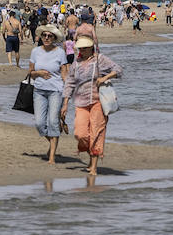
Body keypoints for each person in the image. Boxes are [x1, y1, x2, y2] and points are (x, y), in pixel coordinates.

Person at [59, 35, 123, 177]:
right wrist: (65, 103)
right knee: (80, 134)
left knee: (96, 132)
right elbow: (70, 82)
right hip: (80, 103)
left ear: (90, 48)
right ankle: (91, 155)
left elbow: (118, 69)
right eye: (79, 48)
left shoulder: (100, 59)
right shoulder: (76, 62)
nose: (81, 51)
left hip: (98, 102)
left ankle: (93, 166)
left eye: (83, 48)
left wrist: (105, 77)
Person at [28, 26, 68, 163]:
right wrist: (38, 73)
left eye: (49, 36)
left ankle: (51, 157)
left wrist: (68, 96)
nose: (46, 38)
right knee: (39, 124)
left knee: (52, 122)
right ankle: (54, 138)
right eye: (44, 35)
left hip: (56, 91)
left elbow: (64, 74)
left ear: (54, 38)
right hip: (39, 91)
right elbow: (31, 73)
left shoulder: (60, 53)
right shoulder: (35, 52)